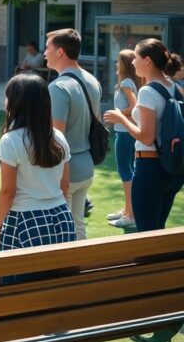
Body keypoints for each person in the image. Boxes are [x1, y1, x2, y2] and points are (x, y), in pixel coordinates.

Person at [0, 74, 76, 252]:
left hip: (25, 221)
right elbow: (64, 186)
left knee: (18, 278)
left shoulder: (10, 141)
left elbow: (7, 192)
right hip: (62, 217)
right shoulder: (58, 137)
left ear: (16, 103)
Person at [104, 39, 184, 232]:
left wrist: (121, 119)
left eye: (136, 58)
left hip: (150, 167)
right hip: (173, 168)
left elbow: (146, 137)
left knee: (146, 234)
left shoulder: (147, 91)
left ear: (147, 60)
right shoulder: (174, 87)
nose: (133, 62)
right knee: (158, 230)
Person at [44, 28, 101, 240]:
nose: (44, 53)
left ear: (60, 52)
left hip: (67, 170)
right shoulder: (92, 80)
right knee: (77, 225)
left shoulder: (58, 87)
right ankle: (81, 270)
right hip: (86, 165)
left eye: (47, 47)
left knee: (60, 232)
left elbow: (57, 140)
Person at [106, 49, 140, 229]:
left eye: (118, 62)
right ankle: (129, 209)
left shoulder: (126, 82)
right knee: (130, 171)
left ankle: (131, 214)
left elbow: (135, 107)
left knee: (125, 171)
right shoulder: (130, 82)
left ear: (125, 65)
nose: (116, 65)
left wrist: (118, 114)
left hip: (125, 132)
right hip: (127, 132)